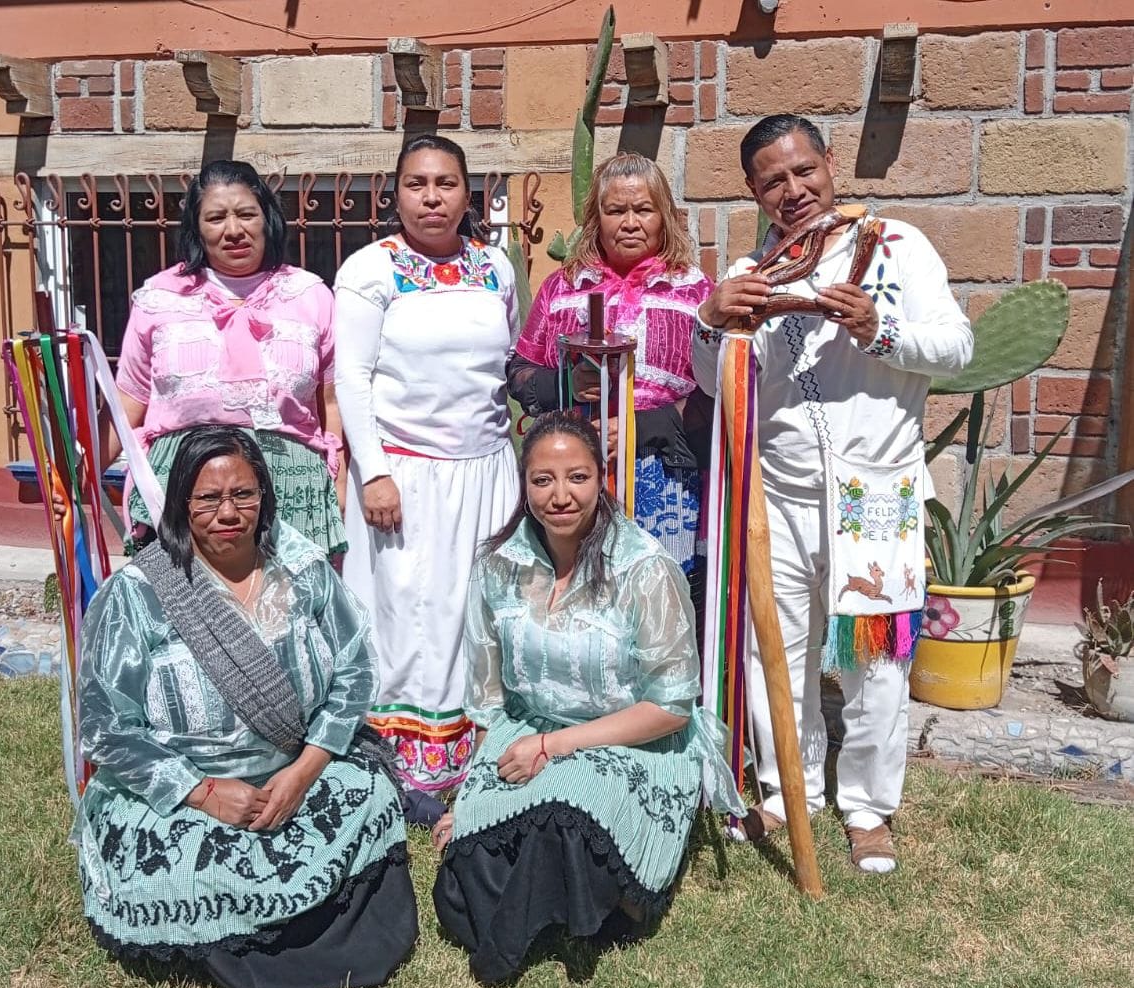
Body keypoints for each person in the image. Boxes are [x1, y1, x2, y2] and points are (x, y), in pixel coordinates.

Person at [691, 115, 973, 874]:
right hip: (777, 495)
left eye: (803, 171)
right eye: (772, 181)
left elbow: (957, 346)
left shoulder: (897, 246)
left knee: (874, 657)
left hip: (875, 493)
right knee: (775, 647)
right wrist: (711, 321)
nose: (793, 190)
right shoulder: (753, 269)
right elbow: (711, 382)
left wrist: (881, 330)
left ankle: (869, 807)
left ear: (830, 163)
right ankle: (792, 789)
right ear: (753, 192)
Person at [76, 426, 416, 988]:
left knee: (370, 795)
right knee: (192, 857)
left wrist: (303, 772)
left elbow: (356, 670)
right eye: (208, 499)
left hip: (294, 773)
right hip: (188, 794)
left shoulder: (302, 568)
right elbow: (105, 727)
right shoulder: (136, 594)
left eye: (244, 494)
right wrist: (204, 793)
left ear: (265, 495)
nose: (229, 513)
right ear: (180, 502)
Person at [431, 412, 743, 985]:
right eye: (543, 480)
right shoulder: (497, 568)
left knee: (568, 814)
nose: (560, 496)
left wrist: (556, 746)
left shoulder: (645, 568)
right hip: (526, 734)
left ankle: (546, 921)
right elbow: (488, 698)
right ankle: (557, 905)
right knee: (468, 864)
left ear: (602, 478)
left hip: (635, 742)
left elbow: (672, 706)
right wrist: (468, 796)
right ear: (524, 485)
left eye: (577, 477)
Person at [333, 134, 520, 823]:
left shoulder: (495, 267)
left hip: (487, 471)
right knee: (410, 612)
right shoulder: (370, 270)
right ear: (396, 194)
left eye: (446, 183)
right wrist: (374, 473)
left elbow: (508, 361)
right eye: (417, 184)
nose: (432, 197)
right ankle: (406, 766)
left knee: (478, 608)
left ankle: (480, 753)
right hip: (404, 477)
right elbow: (351, 377)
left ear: (469, 194)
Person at [507, 152, 714, 603]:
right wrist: (566, 385)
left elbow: (716, 392)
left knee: (656, 598)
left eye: (644, 209)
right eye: (616, 210)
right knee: (578, 595)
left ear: (664, 216)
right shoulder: (563, 287)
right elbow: (519, 372)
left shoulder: (695, 292)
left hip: (663, 469)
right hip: (572, 474)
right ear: (595, 218)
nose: (630, 222)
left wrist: (640, 427)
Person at [113, 159, 347, 556]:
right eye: (216, 217)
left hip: (291, 488)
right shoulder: (159, 297)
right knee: (183, 595)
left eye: (246, 214)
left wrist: (339, 484)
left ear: (267, 219)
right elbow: (127, 403)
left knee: (285, 596)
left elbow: (331, 402)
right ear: (197, 228)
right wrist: (73, 470)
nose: (234, 230)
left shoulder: (311, 295)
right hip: (183, 488)